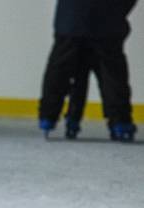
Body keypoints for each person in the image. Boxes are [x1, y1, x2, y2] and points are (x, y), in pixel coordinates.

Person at [38, 0, 138, 142]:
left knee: (60, 68)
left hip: (71, 18)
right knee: (112, 73)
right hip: (107, 19)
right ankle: (120, 122)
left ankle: (48, 117)